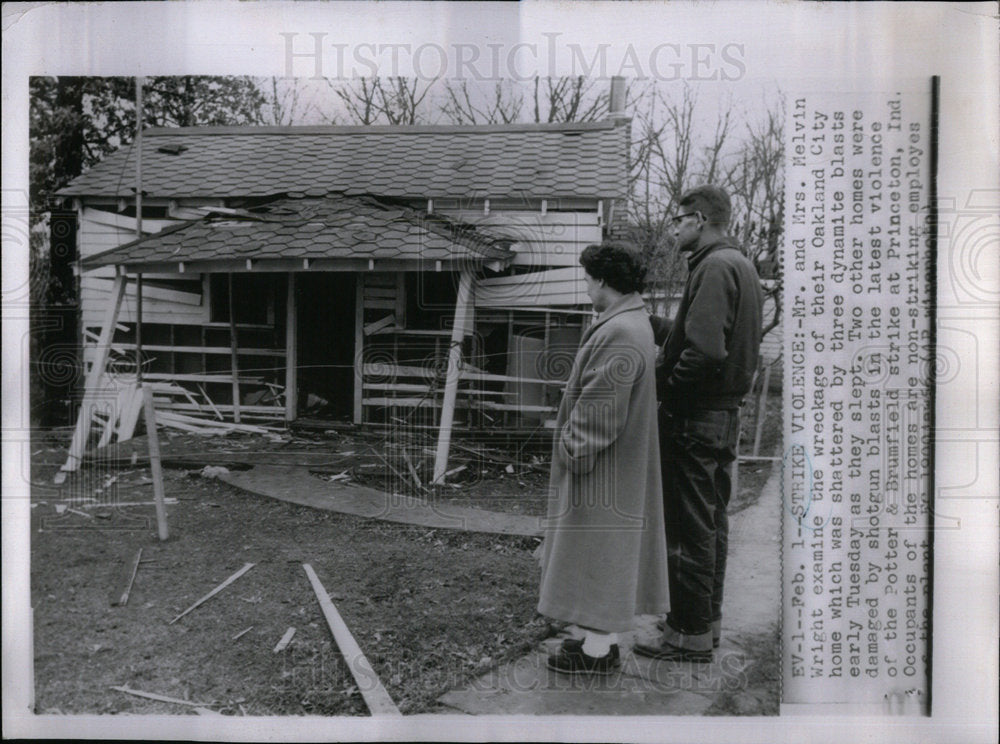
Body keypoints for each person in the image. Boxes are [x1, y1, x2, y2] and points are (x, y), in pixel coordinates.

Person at [635, 185, 763, 663]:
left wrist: (665, 394)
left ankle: (685, 635)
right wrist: (654, 325)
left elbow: (705, 353)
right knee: (710, 523)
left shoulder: (712, 266)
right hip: (722, 415)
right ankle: (704, 626)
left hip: (696, 416)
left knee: (689, 528)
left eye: (678, 220)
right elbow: (702, 339)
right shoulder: (739, 264)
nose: (673, 229)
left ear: (701, 219)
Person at [538, 241, 669, 675]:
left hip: (603, 465)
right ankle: (597, 645)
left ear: (602, 282)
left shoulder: (620, 330)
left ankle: (597, 654)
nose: (587, 287)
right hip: (617, 461)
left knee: (599, 553)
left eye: (588, 279)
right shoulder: (633, 321)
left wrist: (571, 449)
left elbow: (601, 409)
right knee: (604, 554)